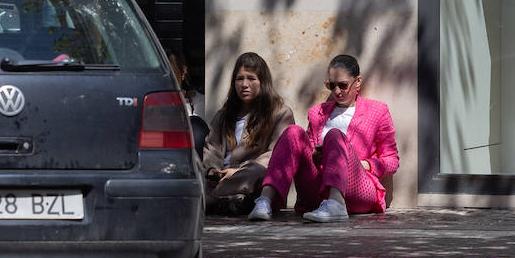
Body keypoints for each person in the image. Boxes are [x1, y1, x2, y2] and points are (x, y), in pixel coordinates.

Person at [249, 54, 399, 223]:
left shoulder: (377, 111)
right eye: (331, 85)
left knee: (334, 135)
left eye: (342, 85)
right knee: (292, 132)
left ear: (357, 82)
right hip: (319, 190)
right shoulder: (317, 113)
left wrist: (359, 162)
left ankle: (337, 205)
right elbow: (308, 153)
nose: (336, 91)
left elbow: (392, 161)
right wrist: (318, 156)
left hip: (358, 190)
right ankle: (264, 201)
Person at [201, 52, 294, 216]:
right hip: (220, 178)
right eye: (239, 78)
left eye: (251, 78)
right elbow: (212, 149)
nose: (244, 84)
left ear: (262, 82)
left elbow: (275, 155)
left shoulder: (280, 113)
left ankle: (209, 200)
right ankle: (229, 200)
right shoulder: (223, 115)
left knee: (258, 172)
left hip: (252, 177)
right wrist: (212, 171)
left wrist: (238, 172)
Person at [168, 50, 206, 119]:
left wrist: (185, 102)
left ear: (183, 70)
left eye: (171, 73)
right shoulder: (152, 103)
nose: (166, 79)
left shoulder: (199, 102)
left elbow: (194, 128)